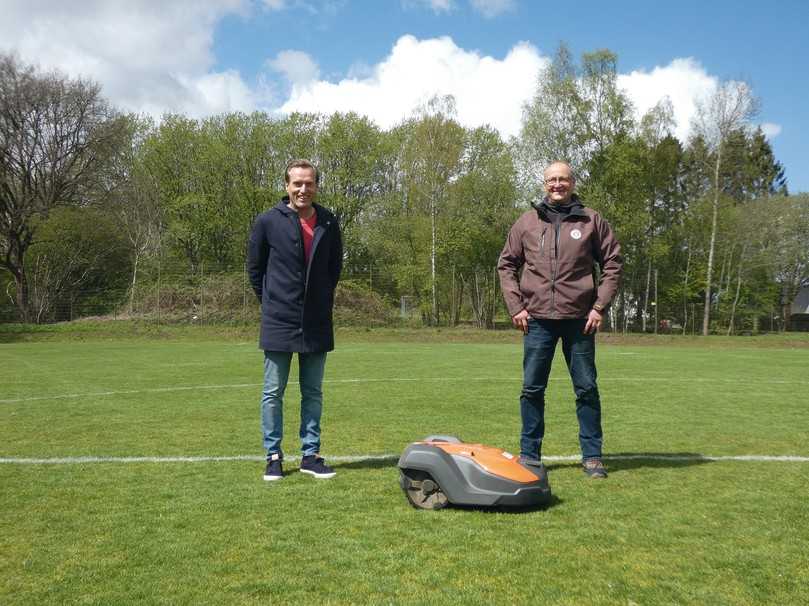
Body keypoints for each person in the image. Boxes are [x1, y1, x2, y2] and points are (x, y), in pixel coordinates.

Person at [497, 161, 622, 479]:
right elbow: (506, 265)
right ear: (544, 184)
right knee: (532, 390)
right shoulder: (526, 222)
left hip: (580, 320)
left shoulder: (591, 220)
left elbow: (612, 263)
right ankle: (529, 454)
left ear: (572, 183)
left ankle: (592, 457)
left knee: (586, 389)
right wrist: (516, 307)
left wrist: (599, 307)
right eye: (552, 179)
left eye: (563, 179)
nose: (557, 185)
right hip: (536, 319)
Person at [247, 159, 343, 481]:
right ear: (286, 185)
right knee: (273, 391)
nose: (304, 189)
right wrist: (272, 303)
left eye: (309, 183)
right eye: (297, 183)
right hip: (279, 322)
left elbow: (333, 270)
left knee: (313, 392)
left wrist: (321, 300)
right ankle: (273, 456)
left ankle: (310, 455)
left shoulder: (329, 222)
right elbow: (255, 269)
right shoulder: (267, 222)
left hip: (316, 322)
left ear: (316, 186)